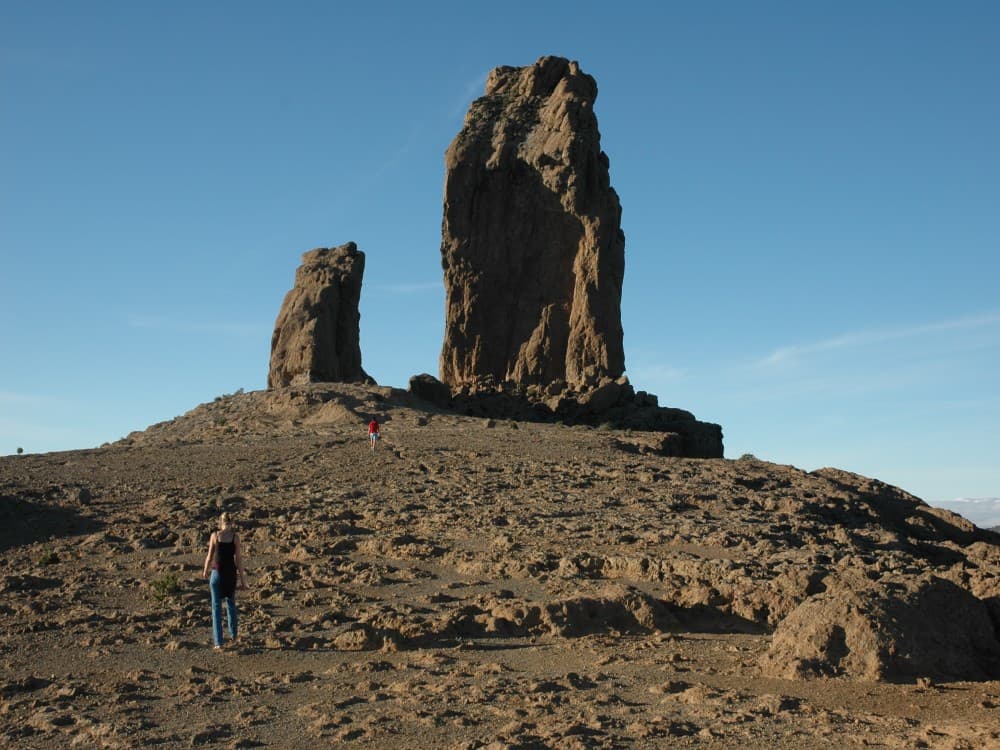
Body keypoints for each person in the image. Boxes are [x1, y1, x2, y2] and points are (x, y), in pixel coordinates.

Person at [202, 512, 247, 650]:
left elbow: (209, 556)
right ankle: (233, 635)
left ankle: (218, 642)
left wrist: (205, 570)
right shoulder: (235, 538)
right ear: (231, 522)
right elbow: (238, 560)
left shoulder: (215, 536)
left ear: (220, 522)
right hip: (230, 575)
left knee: (216, 608)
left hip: (217, 573)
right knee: (231, 605)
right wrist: (243, 580)